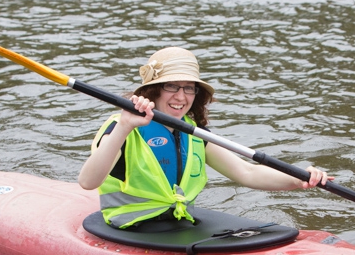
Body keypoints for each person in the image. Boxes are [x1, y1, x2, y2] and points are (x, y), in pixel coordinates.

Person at [78, 46, 332, 229]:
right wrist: (125, 126)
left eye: (189, 88)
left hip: (178, 222)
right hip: (130, 226)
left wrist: (298, 178)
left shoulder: (194, 133)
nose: (181, 96)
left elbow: (248, 172)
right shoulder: (121, 127)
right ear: (153, 90)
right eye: (171, 86)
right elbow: (88, 182)